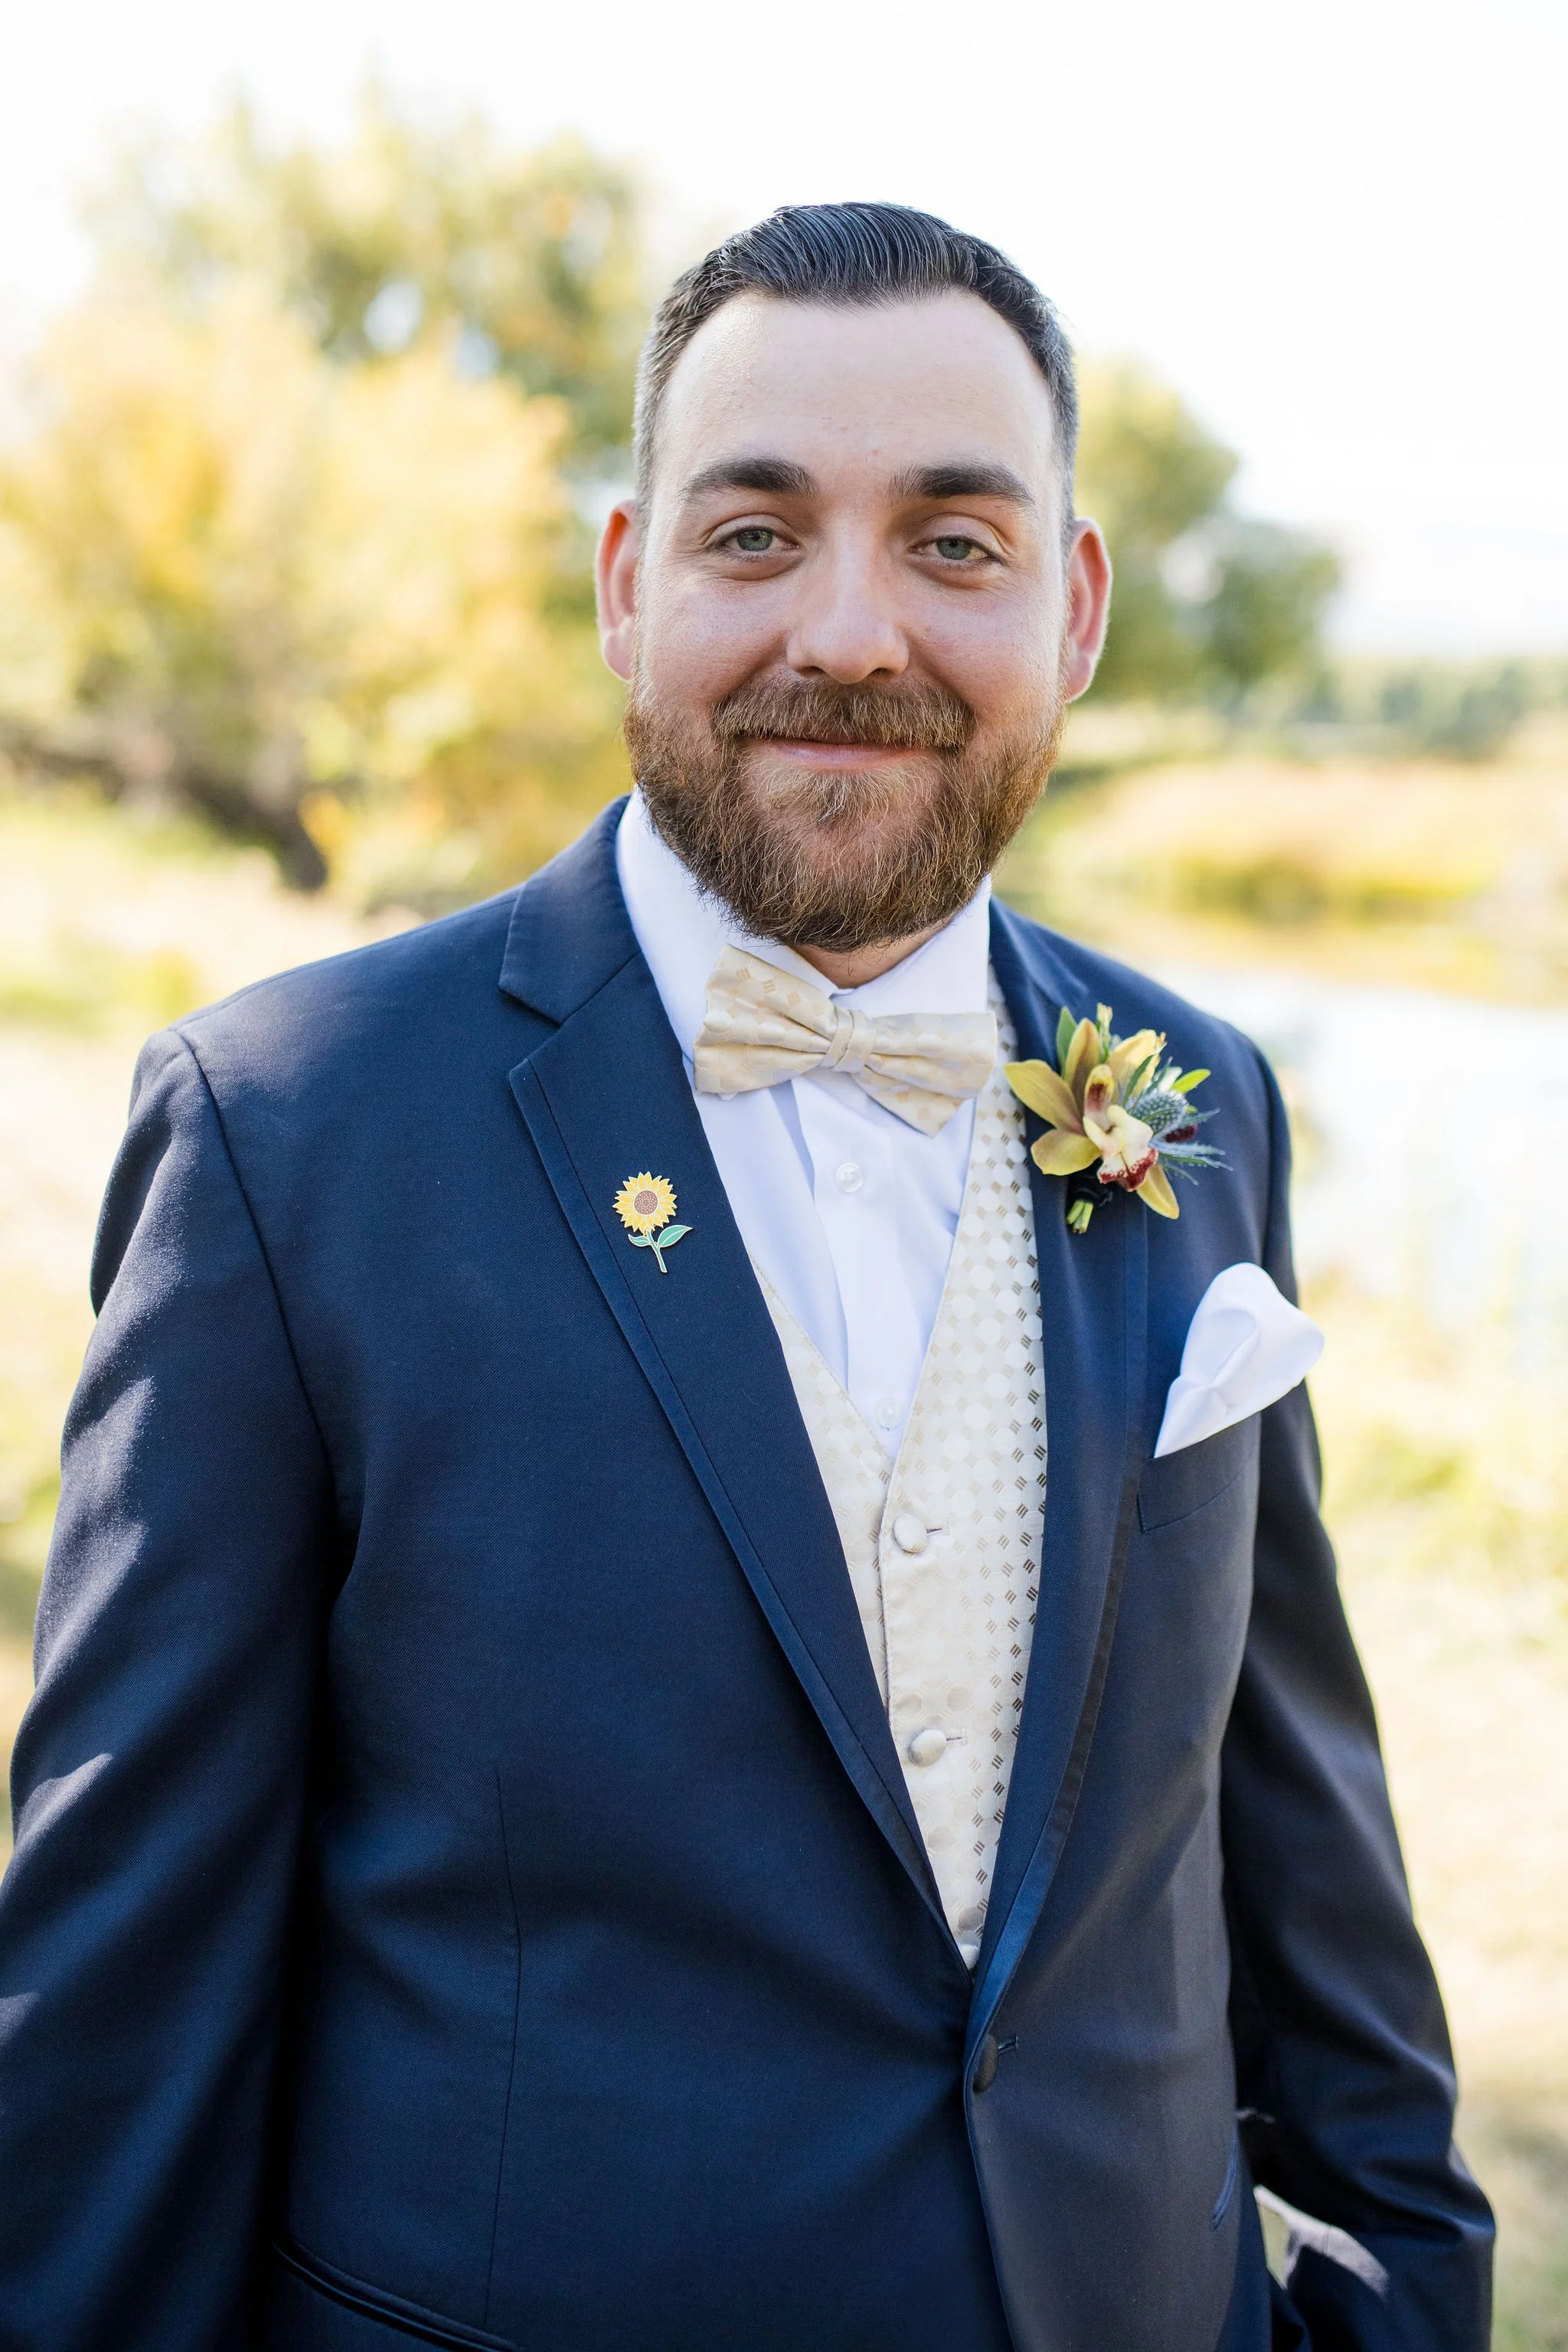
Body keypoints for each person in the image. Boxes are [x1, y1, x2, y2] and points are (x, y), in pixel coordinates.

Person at [0, 203, 1491, 2352]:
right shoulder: (295, 1134)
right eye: (758, 531)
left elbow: (1298, 1863)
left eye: (955, 543)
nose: (857, 633)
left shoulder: (1201, 1106)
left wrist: (1401, 2297)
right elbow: (116, 2019)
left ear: (1072, 611)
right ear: (629, 588)